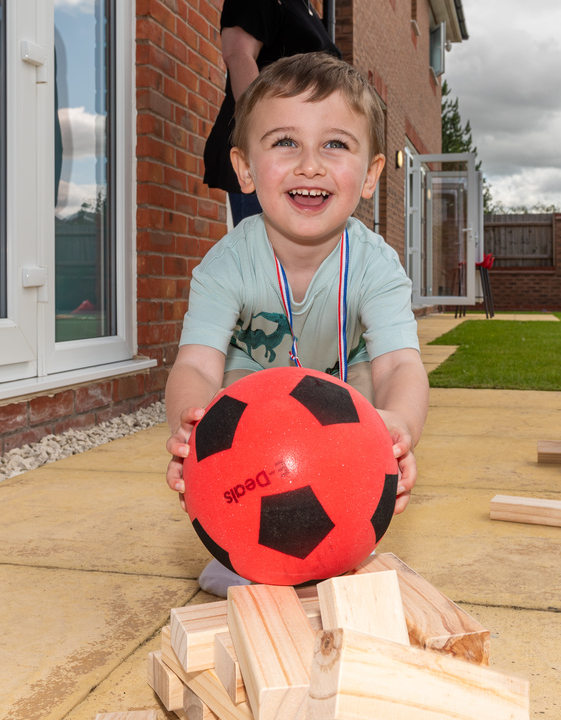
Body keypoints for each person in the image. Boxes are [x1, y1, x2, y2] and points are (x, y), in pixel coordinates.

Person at [166, 53, 429, 595]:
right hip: (255, 399)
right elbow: (194, 363)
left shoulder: (378, 266)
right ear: (243, 169)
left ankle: (344, 524)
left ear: (372, 174)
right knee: (225, 402)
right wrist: (189, 428)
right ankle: (243, 539)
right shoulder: (226, 263)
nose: (310, 164)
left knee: (368, 395)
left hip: (340, 397)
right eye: (285, 142)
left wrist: (398, 424)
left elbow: (401, 362)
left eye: (335, 144)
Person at [204, 0, 340, 225]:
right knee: (266, 256)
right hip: (273, 158)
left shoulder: (306, 9)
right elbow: (238, 54)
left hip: (304, 156)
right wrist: (267, 138)